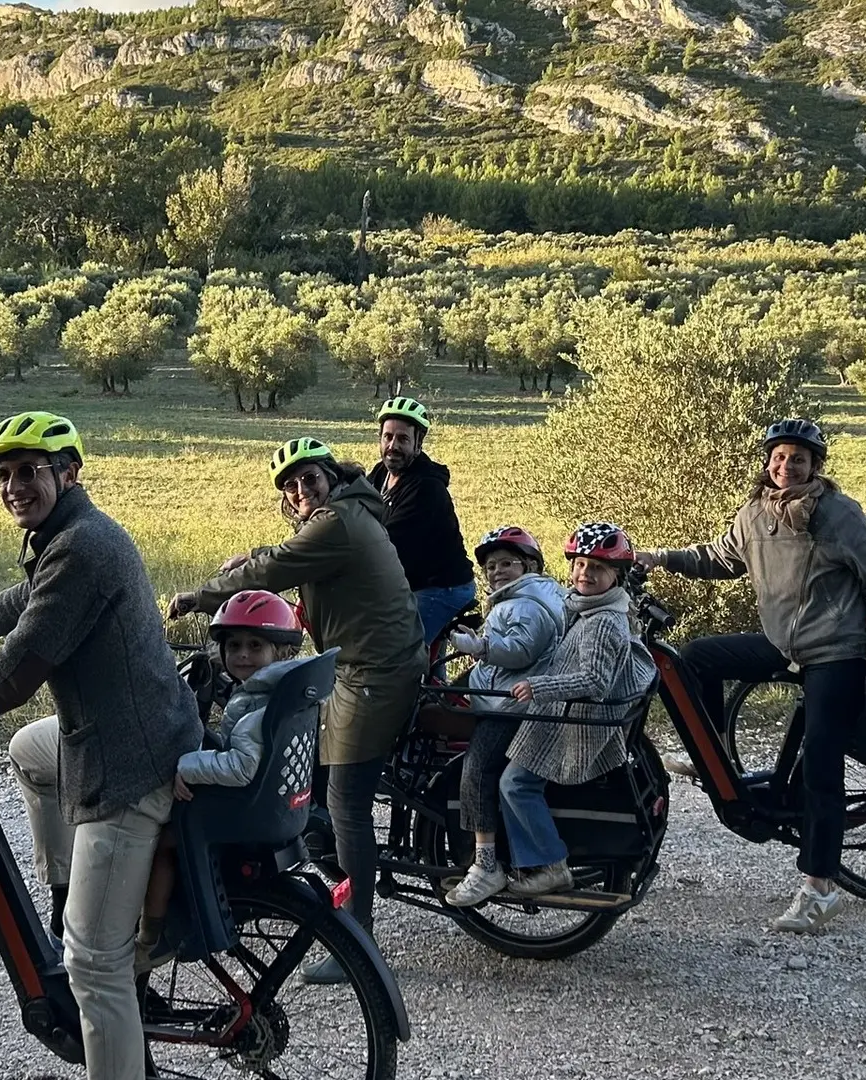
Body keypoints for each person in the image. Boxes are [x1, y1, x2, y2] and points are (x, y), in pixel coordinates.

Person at [0, 410, 200, 1080]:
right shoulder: (70, 535)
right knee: (33, 752)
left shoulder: (82, 548)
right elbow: (30, 597)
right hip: (131, 731)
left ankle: (95, 935)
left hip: (127, 765)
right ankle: (70, 891)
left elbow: (20, 665)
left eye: (28, 471)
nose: (13, 485)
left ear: (69, 471)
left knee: (94, 967)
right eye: (3, 475)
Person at [167, 437, 425, 984]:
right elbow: (287, 554)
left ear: (329, 476)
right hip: (371, 664)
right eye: (291, 485)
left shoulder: (340, 521)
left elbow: (277, 568)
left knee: (347, 801)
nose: (301, 490)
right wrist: (253, 556)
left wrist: (201, 595)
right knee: (314, 773)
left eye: (309, 478)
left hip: (374, 673)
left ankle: (358, 936)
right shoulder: (349, 511)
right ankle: (324, 882)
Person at [638, 418, 866, 933]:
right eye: (779, 457)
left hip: (835, 649)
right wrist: (659, 557)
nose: (787, 467)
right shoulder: (756, 512)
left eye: (799, 459)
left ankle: (819, 888)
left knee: (822, 763)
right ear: (768, 461)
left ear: (815, 466)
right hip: (785, 645)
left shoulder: (837, 513)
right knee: (694, 657)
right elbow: (718, 557)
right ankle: (709, 753)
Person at [134, 590, 307, 971]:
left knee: (163, 841)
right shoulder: (287, 691)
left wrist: (188, 766)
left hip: (244, 810)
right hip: (276, 803)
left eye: (255, 645)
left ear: (279, 651)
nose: (242, 655)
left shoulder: (253, 709)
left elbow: (241, 765)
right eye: (234, 646)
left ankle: (151, 937)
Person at [501, 522, 656, 897]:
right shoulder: (590, 608)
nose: (585, 574)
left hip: (576, 725)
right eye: (581, 565)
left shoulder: (602, 622)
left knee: (514, 784)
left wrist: (538, 686)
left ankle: (550, 864)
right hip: (568, 714)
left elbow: (594, 681)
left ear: (615, 577)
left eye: (598, 569)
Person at [441, 526, 567, 906]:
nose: (496, 571)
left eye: (506, 563)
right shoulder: (525, 598)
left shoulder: (527, 604)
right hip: (501, 692)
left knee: (477, 771)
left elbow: (521, 650)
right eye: (490, 566)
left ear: (530, 565)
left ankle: (485, 866)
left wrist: (479, 646)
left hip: (510, 705)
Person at [367, 396, 476, 645]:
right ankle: (431, 682)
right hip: (413, 582)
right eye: (388, 437)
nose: (393, 445)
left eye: (403, 439)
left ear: (418, 444)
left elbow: (386, 543)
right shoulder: (380, 473)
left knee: (396, 652)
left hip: (441, 588)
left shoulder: (426, 489)